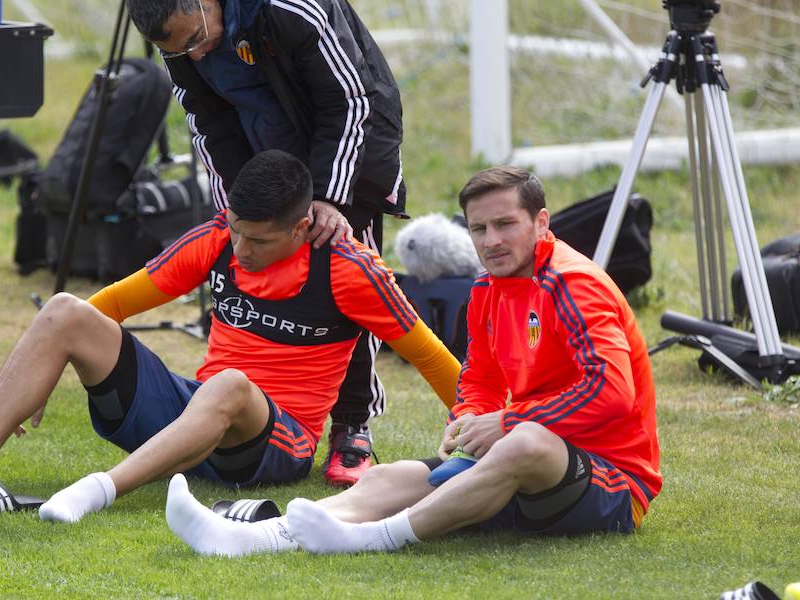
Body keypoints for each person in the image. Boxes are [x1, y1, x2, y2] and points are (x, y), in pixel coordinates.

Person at [0, 150, 459, 525]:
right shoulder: (217, 239)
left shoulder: (350, 268)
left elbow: (433, 359)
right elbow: (109, 306)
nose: (242, 249)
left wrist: (483, 432)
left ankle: (99, 489)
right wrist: (42, 374)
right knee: (67, 310)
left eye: (259, 239)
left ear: (300, 229)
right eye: (236, 230)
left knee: (227, 384)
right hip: (192, 418)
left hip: (276, 444)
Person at [159, 166, 663, 556]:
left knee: (524, 440)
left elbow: (611, 392)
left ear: (541, 222)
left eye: (506, 225)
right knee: (385, 477)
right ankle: (251, 536)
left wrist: (505, 422)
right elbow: (481, 378)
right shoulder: (486, 288)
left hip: (613, 482)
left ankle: (375, 538)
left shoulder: (574, 283)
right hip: (531, 463)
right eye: (479, 228)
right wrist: (467, 419)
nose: (491, 241)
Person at [125, 0, 408, 485]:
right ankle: (252, 412)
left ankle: (351, 427)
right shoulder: (180, 39)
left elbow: (351, 100)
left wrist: (329, 197)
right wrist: (237, 209)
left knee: (345, 283)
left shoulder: (289, 10)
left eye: (195, 39)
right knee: (257, 274)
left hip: (346, 154)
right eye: (177, 50)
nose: (193, 56)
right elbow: (208, 123)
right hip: (266, 161)